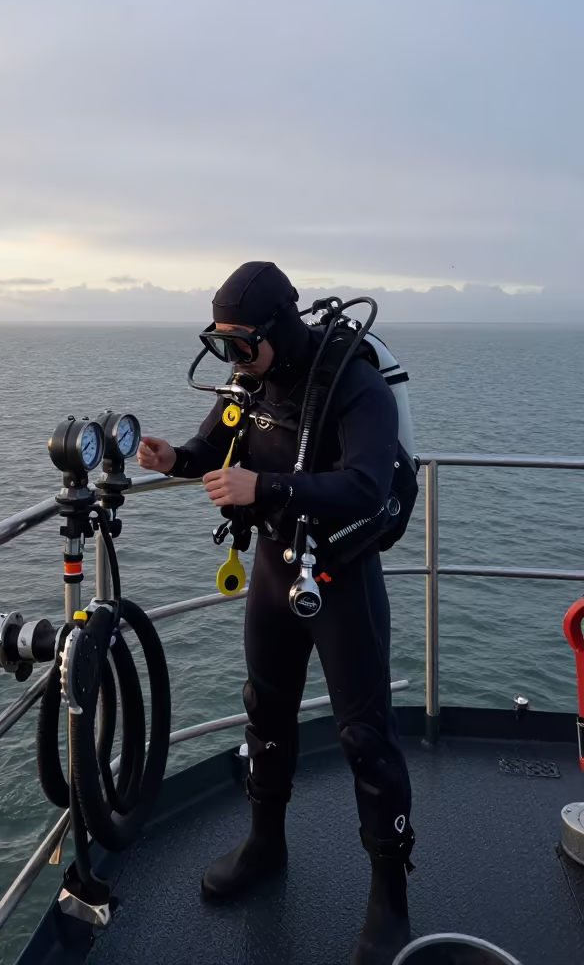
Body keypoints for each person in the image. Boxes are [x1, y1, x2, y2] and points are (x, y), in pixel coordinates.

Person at [137, 261, 414, 965]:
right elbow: (212, 448)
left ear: (276, 329)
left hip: (340, 572)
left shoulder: (353, 381)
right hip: (271, 565)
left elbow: (365, 486)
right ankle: (266, 843)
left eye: (241, 346)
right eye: (221, 346)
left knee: (364, 737)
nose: (233, 362)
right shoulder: (247, 381)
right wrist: (173, 458)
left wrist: (267, 484)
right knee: (264, 709)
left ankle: (390, 896)